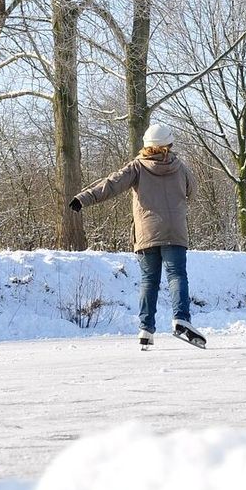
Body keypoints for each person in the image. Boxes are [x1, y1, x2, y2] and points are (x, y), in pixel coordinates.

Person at [69, 123, 205, 349]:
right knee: (176, 276)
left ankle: (146, 329)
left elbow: (111, 185)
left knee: (149, 281)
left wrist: (83, 198)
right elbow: (193, 191)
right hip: (175, 231)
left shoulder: (137, 167)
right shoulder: (180, 167)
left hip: (147, 232)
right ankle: (181, 319)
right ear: (168, 144)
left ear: (146, 145)